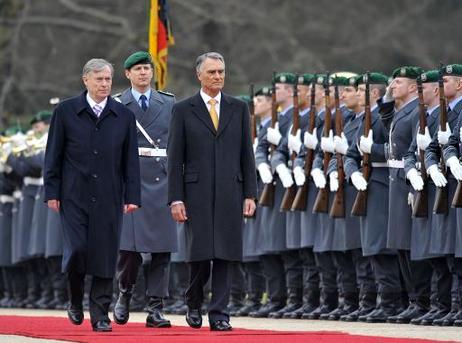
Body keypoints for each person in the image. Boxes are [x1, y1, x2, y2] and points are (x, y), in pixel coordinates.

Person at [44, 58, 141, 332]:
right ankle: (75, 298)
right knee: (77, 250)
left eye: (108, 79)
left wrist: (132, 194)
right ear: (85, 80)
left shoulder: (123, 116)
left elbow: (130, 161)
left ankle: (100, 314)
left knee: (104, 254)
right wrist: (52, 190)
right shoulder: (65, 112)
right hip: (73, 195)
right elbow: (53, 155)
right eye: (99, 79)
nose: (105, 84)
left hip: (110, 195)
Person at [167, 51, 257, 331]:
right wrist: (176, 198)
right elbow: (174, 157)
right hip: (196, 193)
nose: (218, 76)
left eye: (221, 71)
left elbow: (246, 153)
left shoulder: (238, 108)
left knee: (226, 254)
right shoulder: (183, 109)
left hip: (232, 189)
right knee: (200, 253)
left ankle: (219, 313)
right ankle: (193, 300)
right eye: (212, 72)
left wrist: (250, 194)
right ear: (199, 75)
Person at [113, 51, 177, 328]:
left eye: (147, 68)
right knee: (129, 249)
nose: (143, 73)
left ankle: (155, 307)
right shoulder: (117, 104)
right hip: (131, 180)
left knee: (162, 249)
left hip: (162, 179)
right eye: (137, 69)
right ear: (127, 74)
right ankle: (125, 293)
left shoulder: (169, 102)